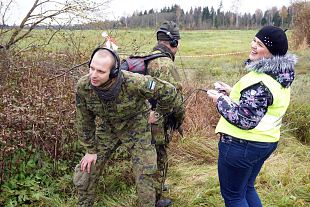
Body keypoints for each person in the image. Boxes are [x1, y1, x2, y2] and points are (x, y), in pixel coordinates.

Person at [73, 47, 184, 207]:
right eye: (92, 68)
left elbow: (169, 92)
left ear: (113, 72)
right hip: (108, 128)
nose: (94, 75)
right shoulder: (84, 86)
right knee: (88, 168)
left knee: (145, 173)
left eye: (101, 71)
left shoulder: (135, 82)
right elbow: (84, 120)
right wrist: (90, 150)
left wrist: (157, 114)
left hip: (136, 127)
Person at [206, 26, 297, 207]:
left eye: (260, 44)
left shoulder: (261, 81)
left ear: (272, 52)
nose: (253, 45)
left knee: (234, 196)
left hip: (241, 146)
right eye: (255, 40)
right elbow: (262, 103)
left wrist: (220, 100)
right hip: (265, 143)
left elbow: (244, 119)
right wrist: (232, 92)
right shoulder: (280, 75)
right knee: (247, 188)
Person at [146, 21, 184, 206]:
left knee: (149, 154)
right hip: (157, 120)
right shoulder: (166, 64)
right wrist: (179, 120)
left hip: (144, 118)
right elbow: (175, 99)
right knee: (159, 156)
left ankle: (153, 189)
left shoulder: (148, 58)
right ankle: (157, 198)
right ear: (174, 43)